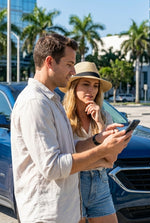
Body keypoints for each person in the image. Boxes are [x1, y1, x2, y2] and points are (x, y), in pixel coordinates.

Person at [11, 33, 132, 223]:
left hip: (64, 210)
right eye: (69, 64)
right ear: (50, 62)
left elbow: (68, 151)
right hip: (46, 214)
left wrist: (97, 139)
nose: (73, 70)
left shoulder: (52, 101)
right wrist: (103, 150)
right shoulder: (35, 103)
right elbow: (52, 167)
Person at [61, 61, 118, 223]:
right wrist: (100, 159)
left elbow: (111, 158)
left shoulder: (105, 116)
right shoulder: (63, 118)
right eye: (86, 84)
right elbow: (66, 158)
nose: (91, 90)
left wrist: (99, 122)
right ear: (74, 87)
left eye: (95, 86)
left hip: (100, 182)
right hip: (73, 184)